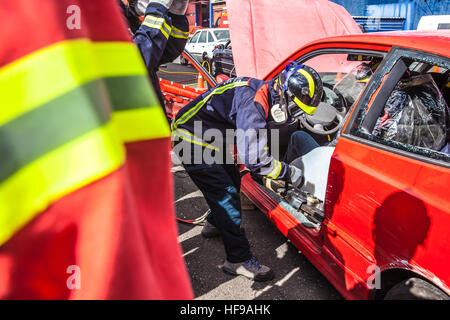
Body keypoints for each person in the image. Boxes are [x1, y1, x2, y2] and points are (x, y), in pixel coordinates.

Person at [171, 62, 324, 281]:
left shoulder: (262, 91)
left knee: (232, 181)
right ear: (284, 95)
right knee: (226, 196)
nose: (294, 116)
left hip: (205, 136)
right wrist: (288, 173)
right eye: (295, 109)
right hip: (191, 140)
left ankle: (215, 224)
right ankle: (238, 260)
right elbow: (254, 160)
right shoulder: (254, 106)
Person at [120, 0, 190, 115]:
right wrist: (158, 8)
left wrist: (176, 12)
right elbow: (135, 62)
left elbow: (165, 52)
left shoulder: (120, 12)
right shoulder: (92, 11)